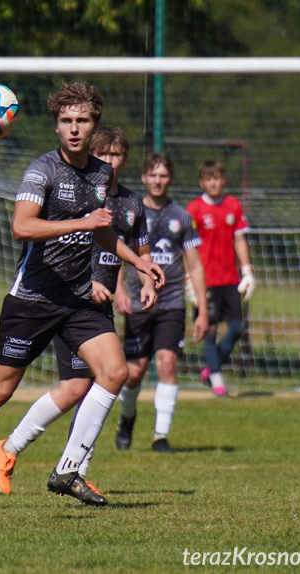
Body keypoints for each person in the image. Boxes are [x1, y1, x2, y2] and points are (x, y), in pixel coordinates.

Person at [0, 81, 164, 509]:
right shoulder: (42, 170)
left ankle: (69, 468)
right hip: (33, 299)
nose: (74, 128)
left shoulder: (100, 173)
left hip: (77, 300)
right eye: (66, 121)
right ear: (56, 126)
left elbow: (104, 232)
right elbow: (23, 226)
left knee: (114, 373)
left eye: (82, 120)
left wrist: (137, 261)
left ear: (94, 125)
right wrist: (81, 223)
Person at [0, 126, 151, 501]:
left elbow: (128, 252)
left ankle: (25, 454)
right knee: (100, 378)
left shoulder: (129, 204)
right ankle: (63, 466)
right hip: (70, 301)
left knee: (82, 386)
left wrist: (144, 279)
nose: (110, 162)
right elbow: (77, 245)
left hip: (99, 306)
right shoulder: (79, 193)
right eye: (104, 155)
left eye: (117, 156)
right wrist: (90, 281)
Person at [113, 152, 209, 454]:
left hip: (171, 303)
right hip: (138, 302)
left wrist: (203, 311)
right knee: (135, 372)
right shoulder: (131, 212)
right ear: (143, 178)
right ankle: (127, 419)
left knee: (167, 364)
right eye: (152, 175)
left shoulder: (181, 217)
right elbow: (115, 254)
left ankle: (160, 436)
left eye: (163, 175)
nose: (157, 180)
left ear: (170, 179)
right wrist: (118, 290)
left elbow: (194, 267)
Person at [186, 161, 255, 397]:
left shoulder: (233, 206)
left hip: (229, 279)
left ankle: (210, 369)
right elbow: (187, 248)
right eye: (208, 178)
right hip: (205, 281)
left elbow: (239, 239)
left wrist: (247, 270)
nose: (213, 182)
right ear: (201, 182)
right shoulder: (194, 209)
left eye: (217, 178)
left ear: (223, 180)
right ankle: (217, 381)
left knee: (236, 328)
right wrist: (188, 278)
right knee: (210, 329)